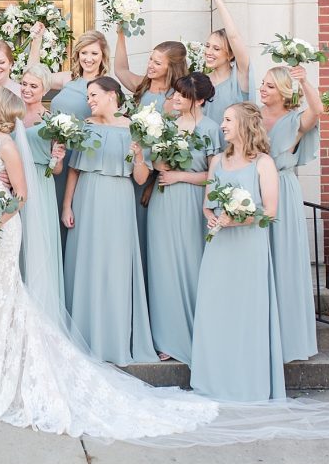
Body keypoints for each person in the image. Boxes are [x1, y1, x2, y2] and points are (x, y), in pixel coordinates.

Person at [0, 87, 329, 446]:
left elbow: (146, 178)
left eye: (229, 121)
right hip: (44, 210)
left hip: (86, 211)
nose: (223, 127)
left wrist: (143, 157)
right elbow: (64, 169)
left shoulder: (155, 138)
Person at [61, 77, 156, 365]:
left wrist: (139, 157)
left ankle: (113, 338)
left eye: (94, 95)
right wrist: (67, 205)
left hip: (119, 197)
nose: (89, 100)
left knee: (115, 266)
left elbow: (141, 178)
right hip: (87, 196)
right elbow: (74, 170)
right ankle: (82, 337)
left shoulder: (134, 130)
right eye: (88, 95)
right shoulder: (85, 127)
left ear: (112, 95)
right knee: (86, 262)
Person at [192, 102, 283, 401]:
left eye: (228, 120)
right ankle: (213, 380)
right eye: (222, 120)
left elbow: (269, 212)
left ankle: (245, 383)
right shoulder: (218, 161)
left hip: (248, 248)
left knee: (245, 313)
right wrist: (214, 218)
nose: (223, 125)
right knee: (215, 309)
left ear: (245, 124)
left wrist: (238, 219)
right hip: (219, 244)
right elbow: (207, 204)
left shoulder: (263, 163)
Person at [132, 72, 221, 364]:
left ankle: (197, 335)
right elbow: (156, 165)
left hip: (192, 202)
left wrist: (180, 175)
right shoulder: (166, 125)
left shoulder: (210, 129)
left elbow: (215, 175)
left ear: (198, 99)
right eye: (176, 94)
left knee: (191, 266)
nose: (176, 99)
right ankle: (167, 339)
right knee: (163, 268)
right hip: (163, 201)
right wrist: (159, 157)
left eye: (182, 95)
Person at [260, 65, 321, 362]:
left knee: (283, 258)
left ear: (284, 92)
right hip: (255, 189)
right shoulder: (253, 116)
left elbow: (317, 109)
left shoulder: (295, 120)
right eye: (263, 84)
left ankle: (288, 338)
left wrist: (305, 81)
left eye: (270, 86)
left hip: (283, 190)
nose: (263, 89)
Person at [28, 26, 110, 243]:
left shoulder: (105, 87)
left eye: (94, 53)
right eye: (84, 52)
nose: (88, 58)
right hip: (51, 152)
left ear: (103, 56)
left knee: (71, 215)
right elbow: (34, 74)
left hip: (78, 160)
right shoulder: (68, 78)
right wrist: (36, 41)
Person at [115, 36, 189, 273]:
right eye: (150, 59)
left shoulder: (172, 101)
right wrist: (120, 34)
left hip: (149, 177)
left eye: (158, 63)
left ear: (171, 67)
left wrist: (151, 184)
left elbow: (168, 147)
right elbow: (120, 69)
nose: (150, 65)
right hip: (130, 167)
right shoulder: (142, 86)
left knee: (144, 233)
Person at [17, 62, 67, 324]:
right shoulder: (10, 114)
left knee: (38, 246)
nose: (26, 89)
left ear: (44, 89)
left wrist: (57, 158)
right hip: (12, 187)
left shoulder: (51, 121)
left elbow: (57, 169)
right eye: (24, 84)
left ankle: (39, 317)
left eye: (33, 86)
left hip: (40, 184)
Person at [199, 0, 252, 145]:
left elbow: (234, 36)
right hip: (204, 156)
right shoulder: (202, 80)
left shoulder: (239, 77)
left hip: (233, 153)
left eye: (216, 48)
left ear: (229, 54)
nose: (209, 52)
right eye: (207, 46)